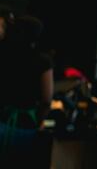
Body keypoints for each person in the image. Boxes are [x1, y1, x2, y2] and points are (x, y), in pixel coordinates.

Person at [0, 10, 53, 166]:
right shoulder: (42, 60)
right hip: (26, 125)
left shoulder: (3, 53)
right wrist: (40, 121)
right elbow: (47, 99)